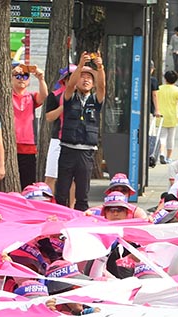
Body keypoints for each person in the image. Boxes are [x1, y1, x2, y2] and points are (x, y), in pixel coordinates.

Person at [49, 54, 106, 212]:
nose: (85, 80)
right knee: (61, 193)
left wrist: (100, 68)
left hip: (86, 153)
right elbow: (69, 86)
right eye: (82, 77)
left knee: (82, 194)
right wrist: (80, 65)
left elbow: (102, 87)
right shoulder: (69, 97)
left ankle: (80, 222)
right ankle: (59, 223)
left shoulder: (96, 101)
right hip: (67, 150)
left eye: (89, 77)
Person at [9, 63, 47, 187]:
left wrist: (41, 79)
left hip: (28, 147)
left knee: (27, 183)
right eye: (17, 76)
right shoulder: (7, 96)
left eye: (25, 76)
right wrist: (12, 72)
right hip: (10, 145)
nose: (21, 79)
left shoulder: (31, 96)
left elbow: (44, 96)